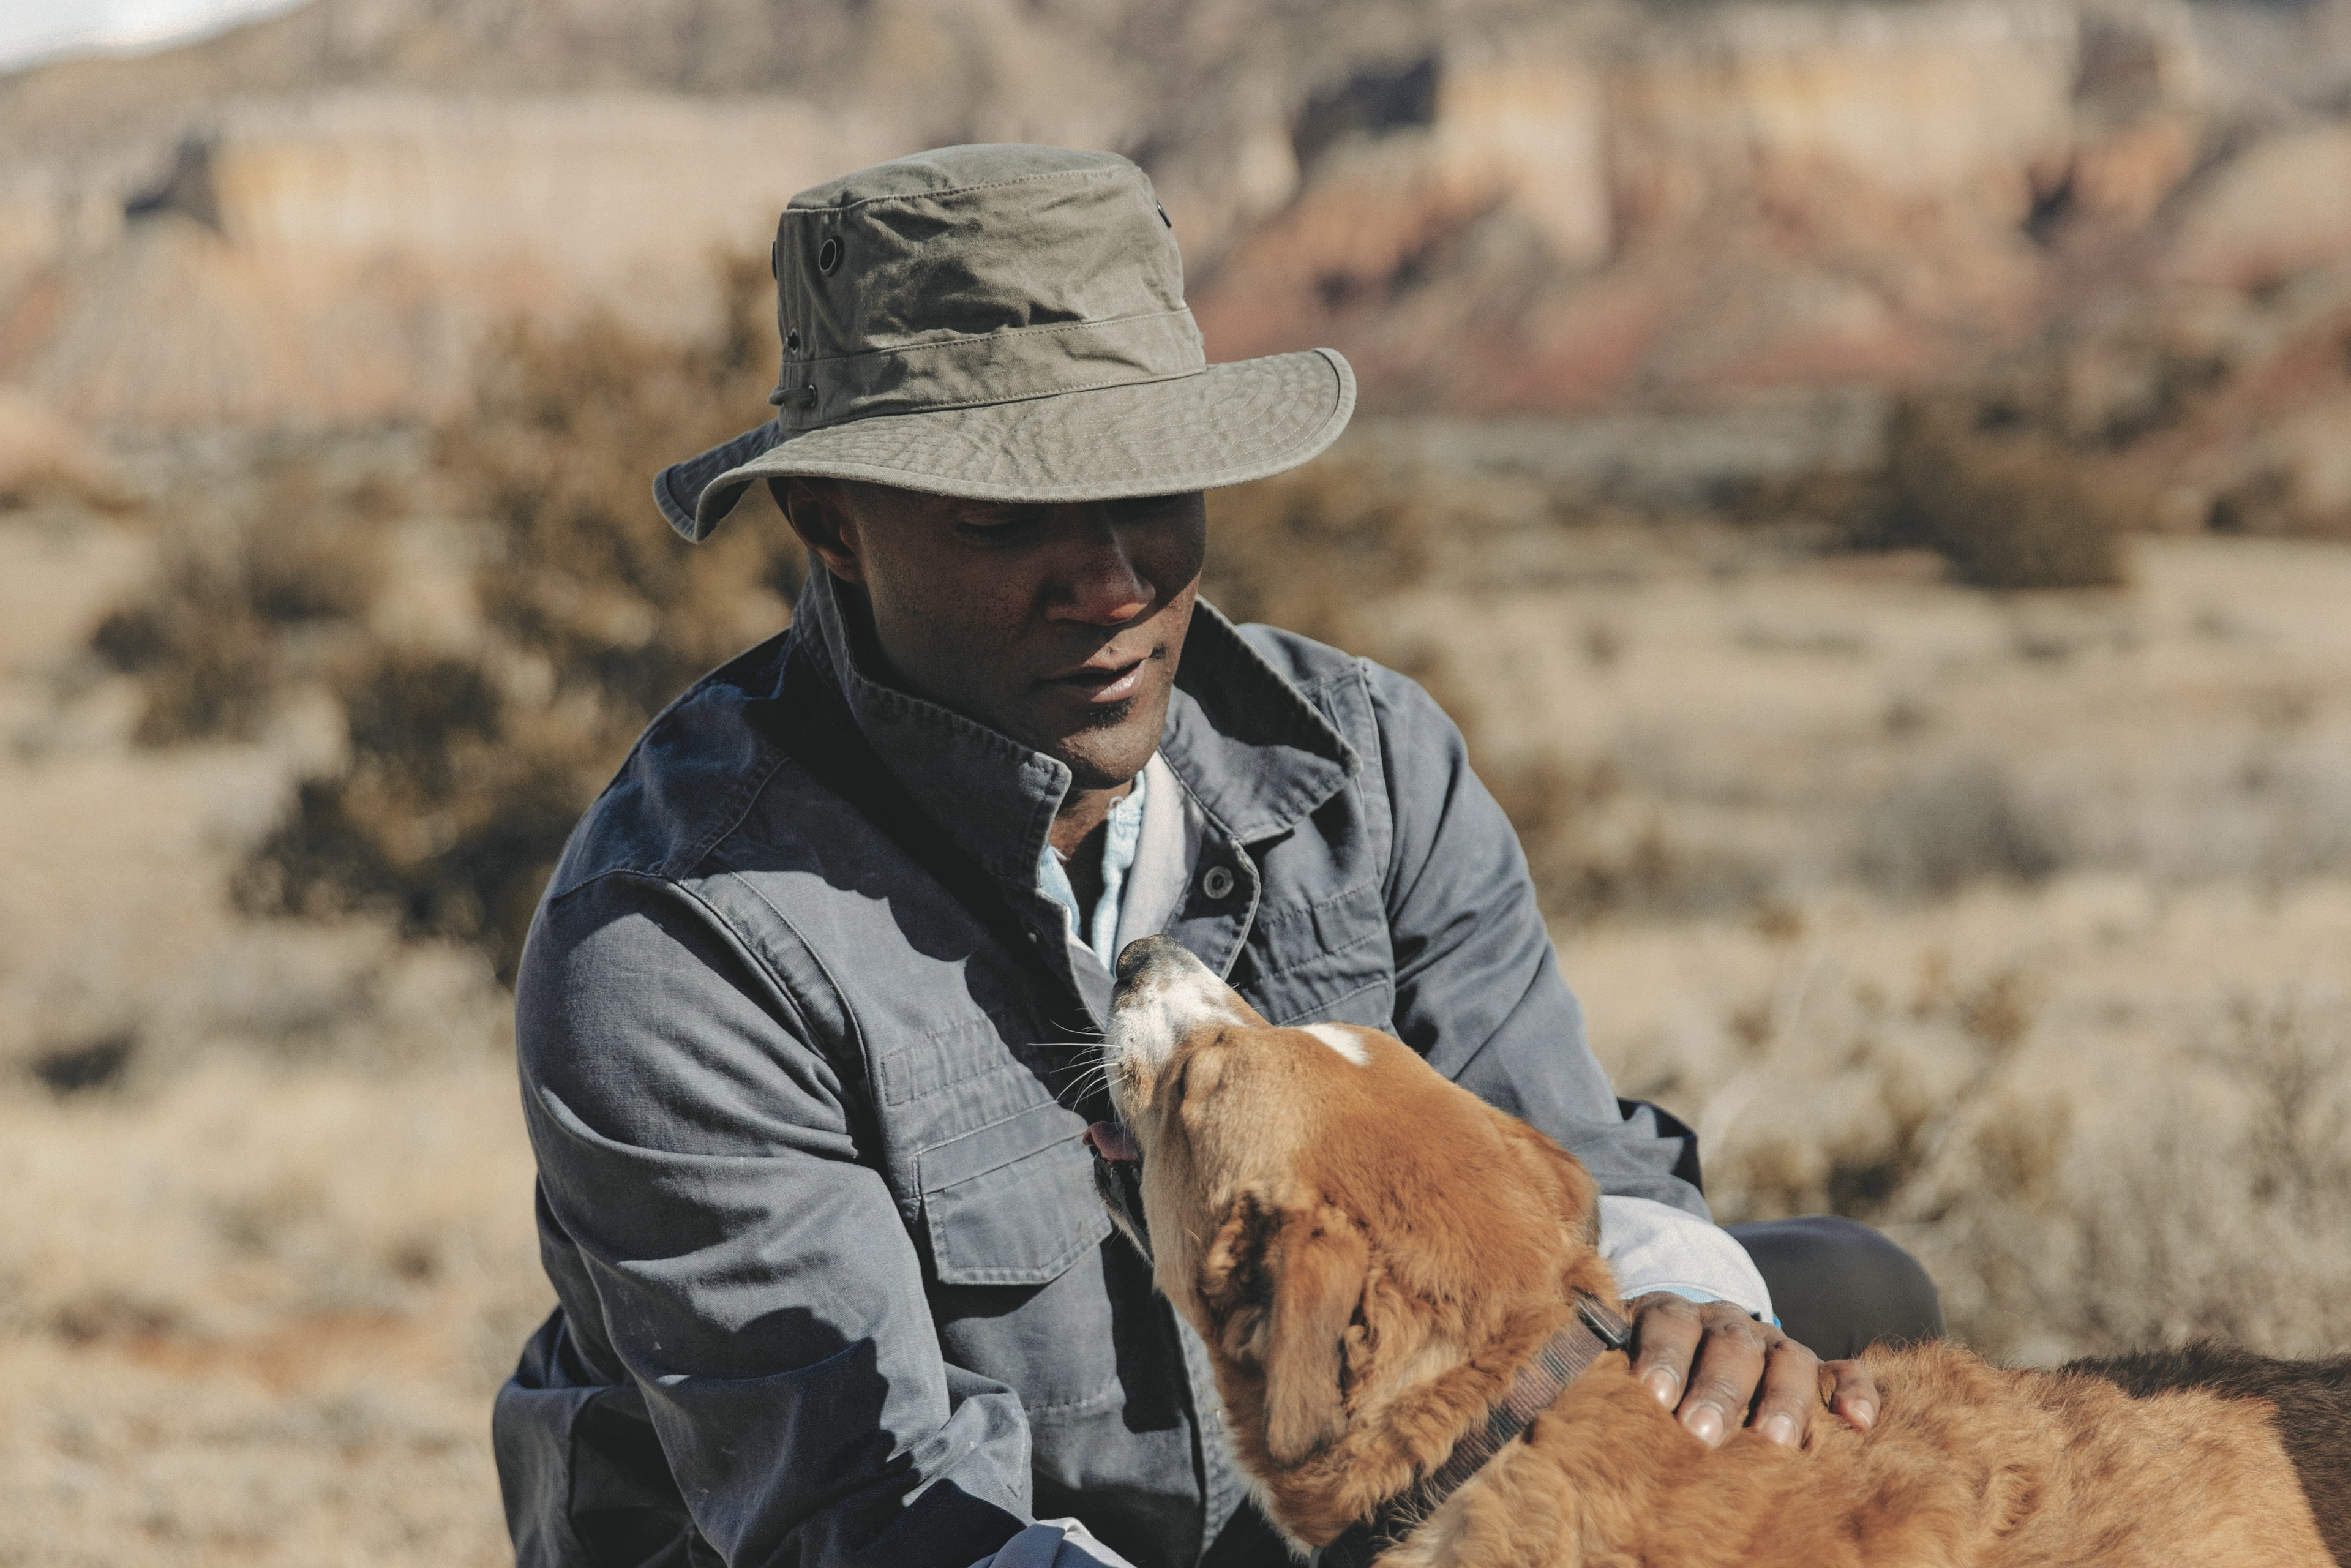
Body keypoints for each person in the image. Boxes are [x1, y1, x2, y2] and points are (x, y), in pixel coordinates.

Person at [491, 144, 1943, 1568]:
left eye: (1154, 492)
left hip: (1309, 1502)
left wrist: (1689, 1317)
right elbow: (868, 1517)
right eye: (1012, 515)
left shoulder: (1364, 760)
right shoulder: (677, 946)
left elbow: (1564, 1162)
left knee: (1840, 1296)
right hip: (955, 1540)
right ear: (832, 525)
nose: (1116, 585)